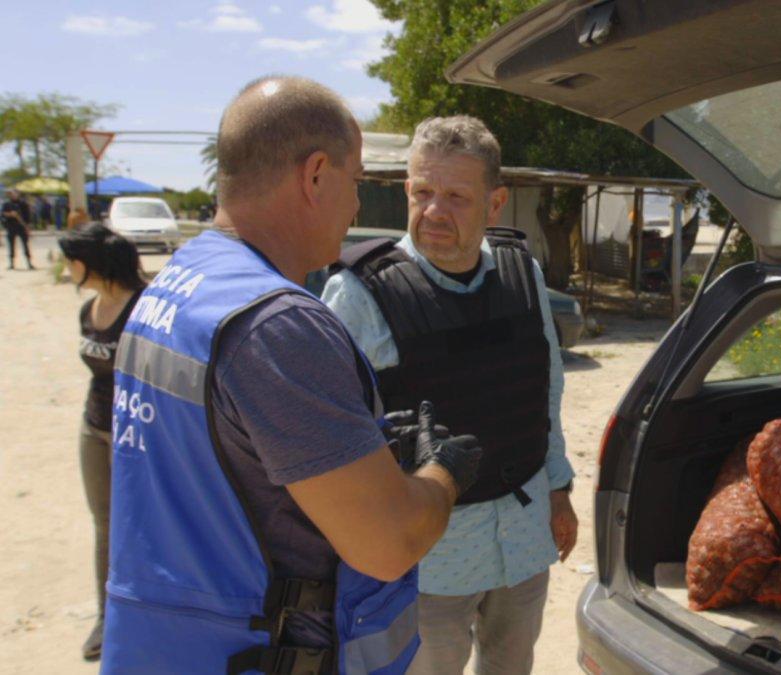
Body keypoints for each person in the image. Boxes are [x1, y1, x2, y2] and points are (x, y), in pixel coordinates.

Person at [101, 76, 482, 674]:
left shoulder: (179, 283)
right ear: (315, 176)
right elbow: (388, 545)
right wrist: (443, 473)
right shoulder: (277, 327)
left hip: (170, 647)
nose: (357, 206)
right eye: (355, 182)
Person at [323, 115, 578, 675]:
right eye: (422, 192)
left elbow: (546, 389)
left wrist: (559, 489)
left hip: (523, 537)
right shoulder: (359, 293)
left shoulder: (523, 273)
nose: (434, 212)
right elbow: (334, 445)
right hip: (428, 561)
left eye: (457, 196)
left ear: (495, 205)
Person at [58, 223, 146, 661]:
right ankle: (106, 617)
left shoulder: (143, 308)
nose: (65, 268)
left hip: (136, 436)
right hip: (94, 429)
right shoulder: (88, 309)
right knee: (105, 526)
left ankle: (144, 616)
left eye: (69, 259)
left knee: (143, 526)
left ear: (89, 262)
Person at [2, 189, 34, 269]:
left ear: (18, 194)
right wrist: (10, 214)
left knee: (25, 245)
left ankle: (29, 263)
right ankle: (12, 264)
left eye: (14, 194)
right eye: (11, 194)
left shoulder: (23, 204)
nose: (12, 195)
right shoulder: (7, 204)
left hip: (22, 227)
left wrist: (28, 227)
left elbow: (28, 216)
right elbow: (3, 214)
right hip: (11, 227)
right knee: (11, 246)